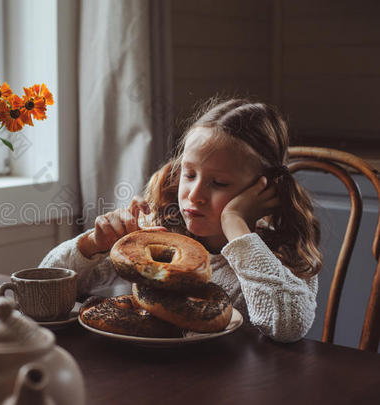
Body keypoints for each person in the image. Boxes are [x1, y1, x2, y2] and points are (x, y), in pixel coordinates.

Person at [39, 98, 322, 342]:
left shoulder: (281, 255)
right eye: (189, 174)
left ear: (263, 190)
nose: (195, 195)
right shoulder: (160, 234)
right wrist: (92, 245)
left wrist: (235, 223)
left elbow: (288, 326)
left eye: (219, 182)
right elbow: (47, 285)